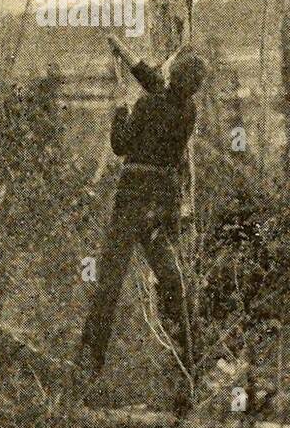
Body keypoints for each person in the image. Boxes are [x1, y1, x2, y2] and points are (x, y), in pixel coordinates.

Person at [77, 33, 207, 379]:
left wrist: (121, 106)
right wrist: (126, 54)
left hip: (133, 198)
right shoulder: (187, 108)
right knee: (170, 277)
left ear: (173, 76)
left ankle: (89, 364)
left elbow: (120, 145)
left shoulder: (148, 105)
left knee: (110, 279)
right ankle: (191, 356)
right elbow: (157, 84)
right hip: (161, 204)